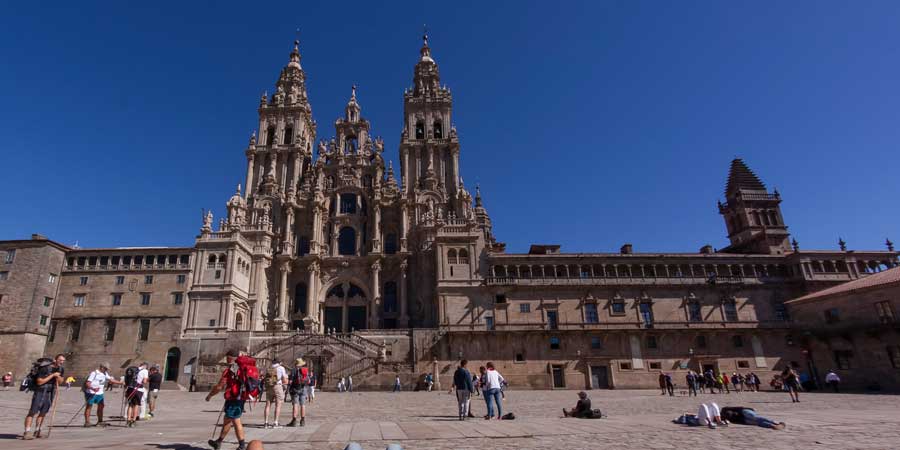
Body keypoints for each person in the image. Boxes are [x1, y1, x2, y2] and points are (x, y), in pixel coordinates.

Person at [206, 349, 249, 450]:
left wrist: (210, 396)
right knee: (229, 420)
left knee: (235, 420)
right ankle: (219, 442)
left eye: (227, 357)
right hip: (241, 397)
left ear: (230, 358)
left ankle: (241, 445)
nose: (226, 359)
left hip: (233, 398)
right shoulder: (242, 368)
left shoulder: (230, 370)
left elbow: (219, 386)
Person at [22, 354, 66, 440]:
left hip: (50, 392)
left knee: (43, 412)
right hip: (40, 391)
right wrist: (52, 375)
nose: (62, 362)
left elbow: (61, 381)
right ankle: (27, 432)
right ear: (55, 359)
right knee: (33, 412)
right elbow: (39, 382)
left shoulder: (61, 369)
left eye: (63, 361)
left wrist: (59, 377)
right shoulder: (45, 368)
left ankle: (38, 431)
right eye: (60, 360)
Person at [83, 362, 124, 427]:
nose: (106, 370)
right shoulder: (94, 373)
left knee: (101, 406)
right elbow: (88, 383)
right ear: (102, 367)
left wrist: (121, 383)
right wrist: (93, 388)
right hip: (91, 393)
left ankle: (100, 421)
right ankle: (87, 422)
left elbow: (111, 380)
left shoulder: (105, 373)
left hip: (100, 393)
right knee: (89, 407)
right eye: (106, 368)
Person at [262, 358, 288, 428]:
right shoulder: (281, 368)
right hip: (277, 386)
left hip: (269, 387)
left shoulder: (269, 367)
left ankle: (266, 423)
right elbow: (285, 379)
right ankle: (275, 423)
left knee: (268, 405)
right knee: (278, 405)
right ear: (279, 362)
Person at [721, 406, 786, 430]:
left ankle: (775, 422)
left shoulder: (724, 409)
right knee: (757, 423)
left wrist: (749, 408)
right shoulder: (721, 418)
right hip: (743, 420)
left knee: (755, 418)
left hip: (743, 412)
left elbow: (737, 408)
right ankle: (772, 426)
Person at [287, 358, 309, 427]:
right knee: (303, 405)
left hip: (295, 389)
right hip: (303, 388)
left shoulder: (293, 370)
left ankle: (294, 421)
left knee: (295, 404)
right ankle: (303, 421)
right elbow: (308, 380)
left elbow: (290, 381)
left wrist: (288, 387)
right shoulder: (305, 370)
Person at [126, 362, 149, 427]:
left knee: (130, 405)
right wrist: (145, 380)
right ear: (146, 366)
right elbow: (144, 381)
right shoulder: (145, 371)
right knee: (136, 405)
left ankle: (128, 420)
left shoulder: (134, 369)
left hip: (130, 389)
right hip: (138, 389)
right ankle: (133, 421)